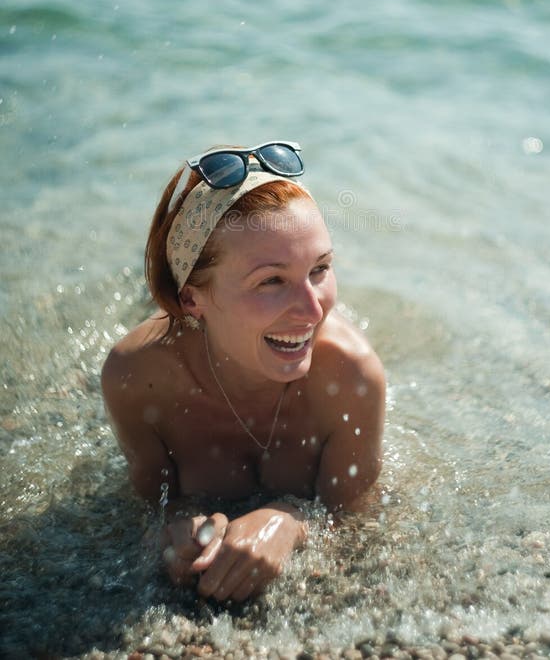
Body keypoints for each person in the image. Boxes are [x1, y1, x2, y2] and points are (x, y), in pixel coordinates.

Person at [102, 141, 386, 603]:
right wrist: (174, 527)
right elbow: (148, 505)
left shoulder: (352, 376)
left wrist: (291, 522)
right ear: (192, 298)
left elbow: (357, 521)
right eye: (271, 280)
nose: (314, 310)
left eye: (320, 269)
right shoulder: (137, 377)